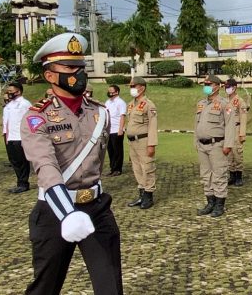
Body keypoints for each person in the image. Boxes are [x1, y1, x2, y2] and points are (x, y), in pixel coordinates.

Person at [20, 32, 122, 294]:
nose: (78, 73)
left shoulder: (100, 112)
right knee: (46, 286)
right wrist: (68, 213)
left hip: (96, 208)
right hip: (54, 211)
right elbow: (46, 166)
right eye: (69, 68)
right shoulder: (36, 118)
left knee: (110, 287)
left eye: (81, 67)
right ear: (50, 75)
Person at [194, 75, 235, 217]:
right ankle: (210, 202)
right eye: (204, 84)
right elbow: (197, 125)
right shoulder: (201, 104)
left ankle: (219, 205)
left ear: (217, 86)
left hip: (217, 144)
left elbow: (230, 125)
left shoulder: (225, 104)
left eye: (209, 84)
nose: (206, 86)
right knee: (206, 175)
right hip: (202, 145)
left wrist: (228, 144)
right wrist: (196, 142)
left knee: (219, 174)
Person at [125, 76, 158, 209]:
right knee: (137, 168)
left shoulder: (149, 105)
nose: (131, 88)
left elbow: (153, 125)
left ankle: (148, 196)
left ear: (142, 88)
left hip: (144, 141)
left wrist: (151, 144)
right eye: (130, 86)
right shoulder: (131, 104)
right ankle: (141, 194)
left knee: (147, 168)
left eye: (133, 86)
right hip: (132, 142)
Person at [2, 81, 31, 193]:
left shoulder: (25, 104)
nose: (8, 93)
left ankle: (24, 183)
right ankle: (19, 182)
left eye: (10, 91)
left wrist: (27, 136)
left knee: (22, 161)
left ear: (18, 91)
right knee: (14, 161)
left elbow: (29, 119)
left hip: (20, 136)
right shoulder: (8, 106)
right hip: (10, 137)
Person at [225, 78, 248, 187]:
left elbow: (243, 118)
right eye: (226, 87)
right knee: (229, 154)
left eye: (228, 87)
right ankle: (232, 176)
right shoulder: (225, 100)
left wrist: (242, 134)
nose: (227, 89)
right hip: (227, 130)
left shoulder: (240, 101)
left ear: (234, 88)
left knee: (237, 153)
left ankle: (239, 177)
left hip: (236, 129)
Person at [105, 84, 127, 177]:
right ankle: (112, 168)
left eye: (111, 91)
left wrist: (121, 129)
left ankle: (118, 169)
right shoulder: (108, 102)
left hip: (117, 129)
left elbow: (122, 116)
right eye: (108, 91)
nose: (109, 92)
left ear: (116, 92)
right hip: (109, 130)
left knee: (117, 150)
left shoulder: (120, 102)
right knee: (110, 150)